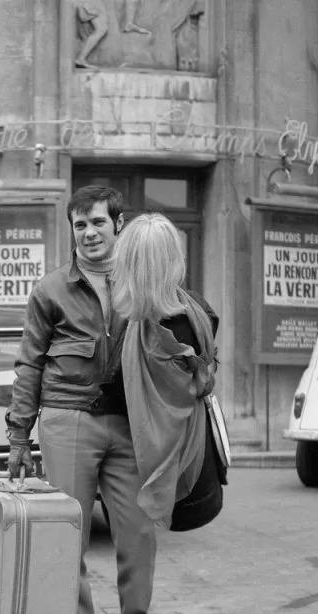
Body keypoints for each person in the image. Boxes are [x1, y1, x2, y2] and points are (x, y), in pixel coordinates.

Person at [6, 185, 166, 614]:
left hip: (130, 424)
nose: (89, 232)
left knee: (139, 535)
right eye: (80, 225)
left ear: (119, 225)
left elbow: (174, 346)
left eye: (98, 222)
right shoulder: (51, 289)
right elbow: (29, 363)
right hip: (66, 419)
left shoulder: (144, 282)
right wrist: (18, 435)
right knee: (67, 539)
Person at [107, 213, 221, 532]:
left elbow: (114, 394)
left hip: (158, 471)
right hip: (198, 463)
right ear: (174, 259)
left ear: (130, 265)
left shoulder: (143, 332)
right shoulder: (199, 310)